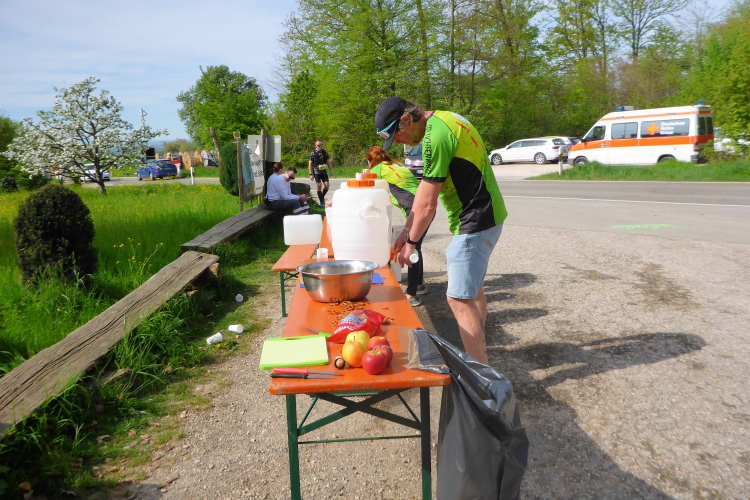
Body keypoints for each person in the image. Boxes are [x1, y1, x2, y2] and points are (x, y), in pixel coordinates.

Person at [375, 96, 508, 364]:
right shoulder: (446, 119)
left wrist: (412, 243)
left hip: (474, 220)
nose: (397, 143)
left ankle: (481, 374)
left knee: (458, 299)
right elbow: (423, 191)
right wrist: (406, 232)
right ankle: (480, 349)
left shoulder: (434, 138)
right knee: (473, 290)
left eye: (396, 136)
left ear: (406, 120)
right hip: (488, 214)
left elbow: (427, 204)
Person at [365, 146, 429, 307]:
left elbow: (364, 188)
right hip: (426, 206)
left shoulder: (378, 169)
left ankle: (412, 295)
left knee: (411, 248)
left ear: (370, 161)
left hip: (415, 210)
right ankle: (419, 284)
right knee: (416, 246)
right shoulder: (396, 165)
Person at [308, 140, 334, 206]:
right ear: (315, 145)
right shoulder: (313, 153)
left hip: (323, 171)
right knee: (319, 185)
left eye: (321, 145)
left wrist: (331, 171)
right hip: (316, 171)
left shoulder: (324, 152)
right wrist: (311, 174)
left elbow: (328, 162)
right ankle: (322, 202)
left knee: (327, 186)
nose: (320, 147)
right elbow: (310, 164)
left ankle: (321, 197)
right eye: (318, 145)